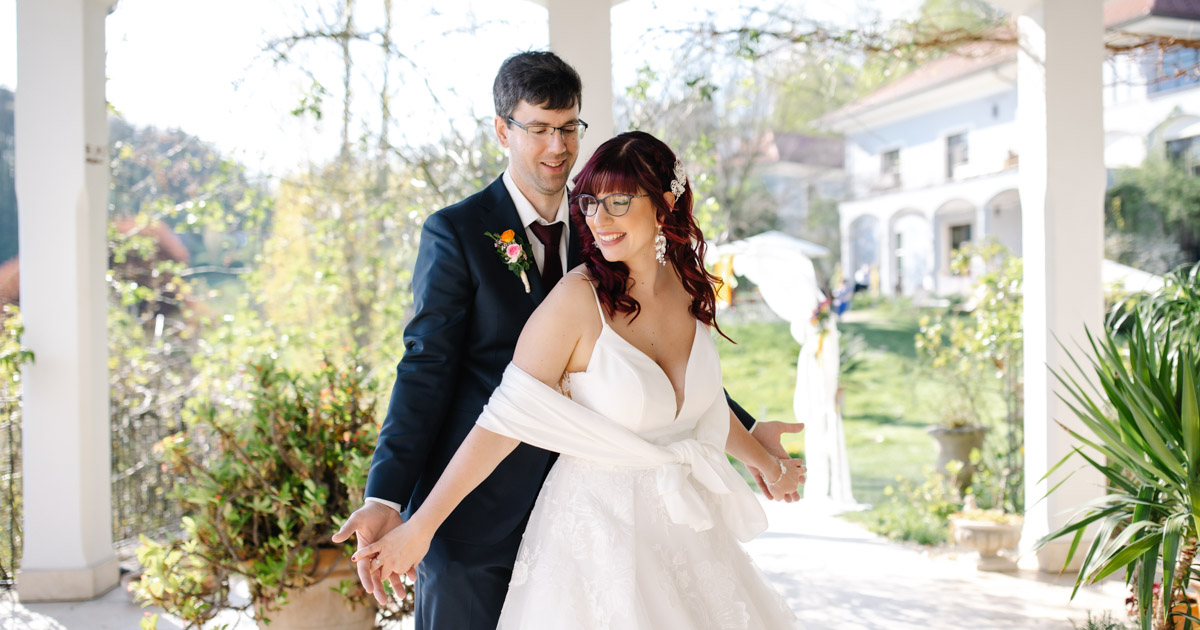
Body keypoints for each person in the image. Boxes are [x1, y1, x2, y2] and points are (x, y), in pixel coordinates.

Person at [332, 51, 802, 630]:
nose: (557, 147)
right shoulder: (457, 232)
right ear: (503, 130)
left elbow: (644, 364)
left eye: (568, 128)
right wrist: (386, 497)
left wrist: (749, 435)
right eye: (539, 129)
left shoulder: (605, 227)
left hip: (598, 521)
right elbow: (425, 371)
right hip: (480, 510)